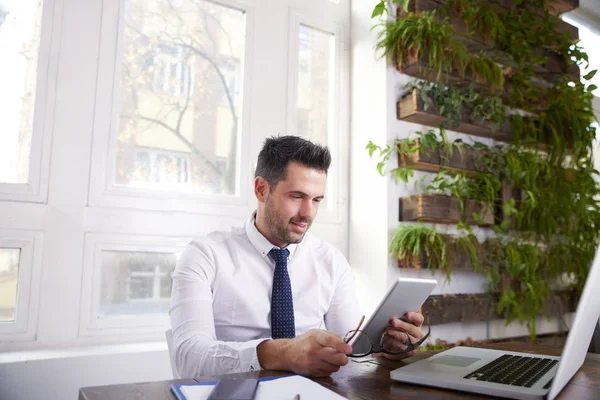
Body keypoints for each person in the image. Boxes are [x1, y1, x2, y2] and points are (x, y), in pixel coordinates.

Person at [169, 135, 425, 378]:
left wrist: (387, 349)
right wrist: (281, 353)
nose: (308, 213)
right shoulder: (205, 256)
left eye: (316, 200)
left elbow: (352, 353)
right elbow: (189, 356)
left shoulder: (331, 262)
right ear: (261, 189)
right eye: (297, 196)